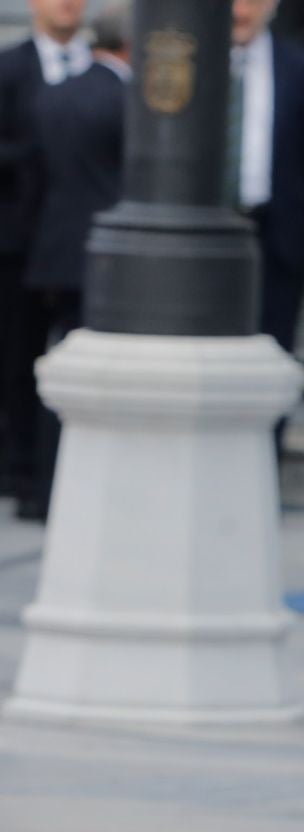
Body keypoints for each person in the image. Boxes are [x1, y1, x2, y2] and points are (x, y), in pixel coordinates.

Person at [16, 2, 125, 520]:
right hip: (104, 258)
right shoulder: (126, 102)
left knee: (52, 374)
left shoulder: (55, 97)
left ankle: (39, 485)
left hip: (51, 251)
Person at [0, 0, 88, 517]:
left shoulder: (105, 70)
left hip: (77, 245)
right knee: (17, 360)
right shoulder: (9, 69)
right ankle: (23, 471)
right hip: (17, 244)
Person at [228, 0, 304, 356]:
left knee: (272, 340)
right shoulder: (197, 62)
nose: (241, 12)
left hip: (275, 226)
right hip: (208, 226)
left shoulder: (300, 65)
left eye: (252, 2)